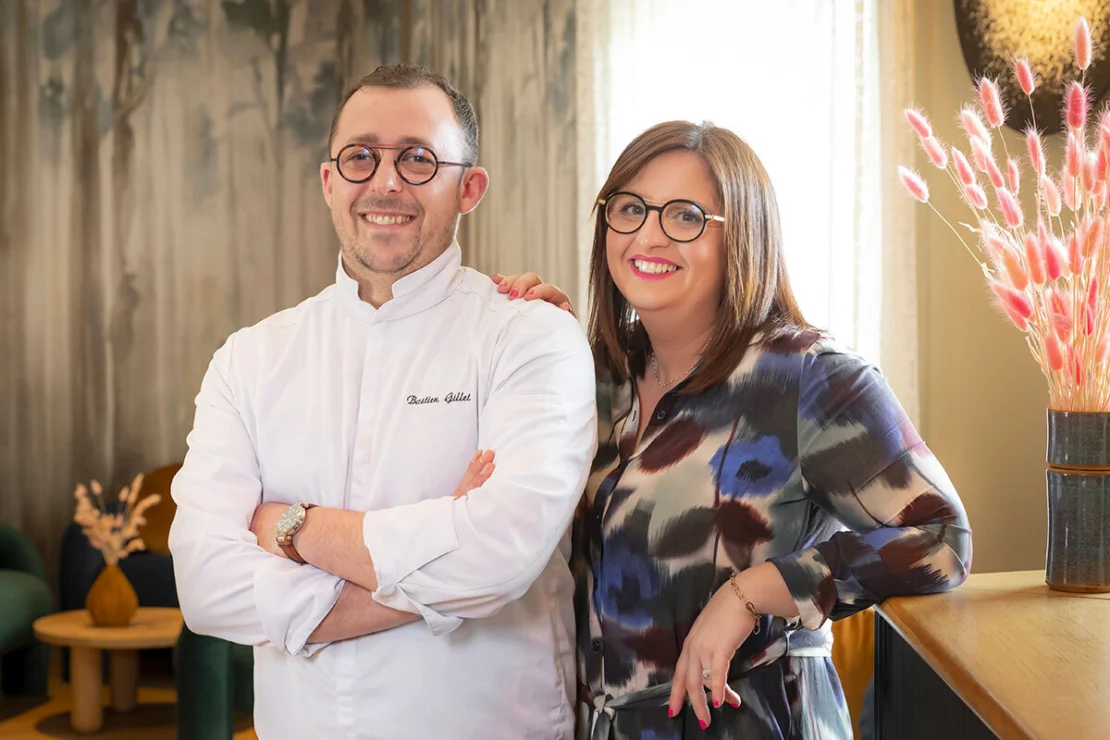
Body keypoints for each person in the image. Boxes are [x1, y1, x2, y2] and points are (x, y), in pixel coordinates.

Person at [491, 120, 972, 739]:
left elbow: (941, 540)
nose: (648, 235)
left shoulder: (808, 378)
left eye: (685, 217)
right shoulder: (595, 374)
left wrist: (750, 593)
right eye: (630, 209)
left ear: (742, 235)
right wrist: (537, 344)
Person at [167, 63, 598, 740]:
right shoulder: (251, 358)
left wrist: (293, 528)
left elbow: (501, 554)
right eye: (361, 156)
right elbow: (204, 586)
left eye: (419, 159)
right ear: (329, 181)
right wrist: (443, 551)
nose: (387, 181)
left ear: (470, 188)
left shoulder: (532, 337)